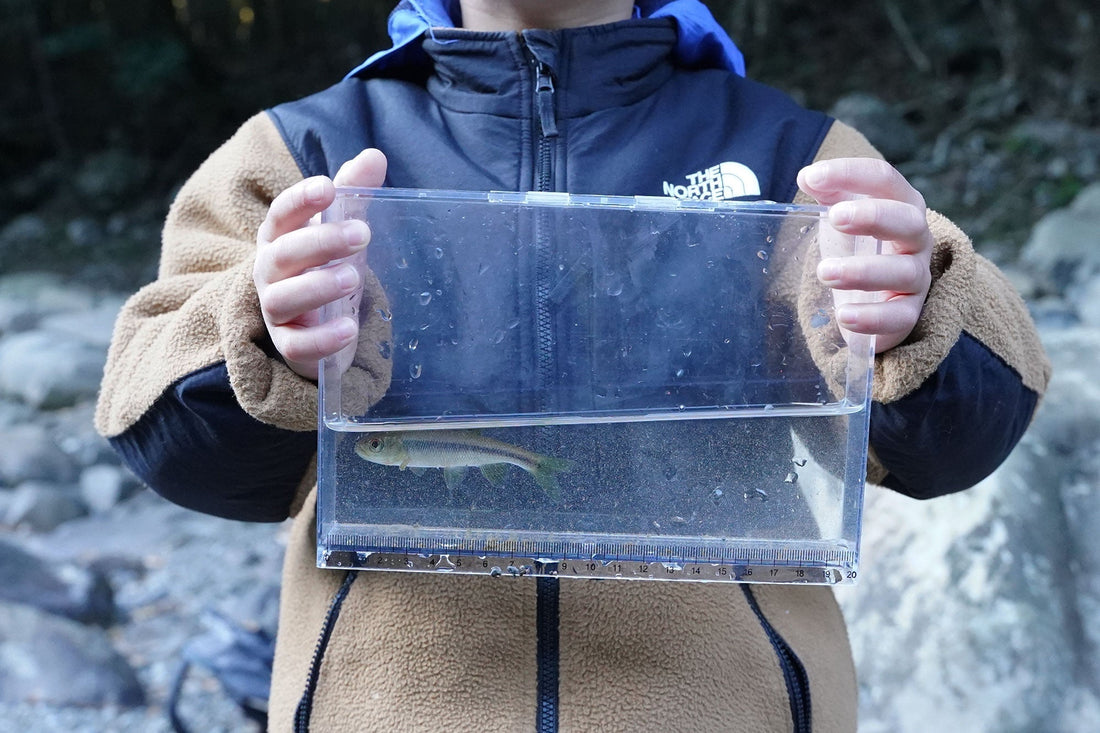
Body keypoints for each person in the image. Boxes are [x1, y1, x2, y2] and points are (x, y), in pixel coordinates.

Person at [95, 1, 1051, 730]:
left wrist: (917, 304)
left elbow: (961, 437)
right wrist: (262, 333)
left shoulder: (796, 158)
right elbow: (162, 419)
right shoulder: (304, 155)